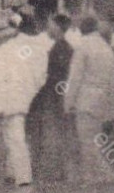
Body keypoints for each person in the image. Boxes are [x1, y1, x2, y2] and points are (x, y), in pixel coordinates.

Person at [0, 13, 48, 188]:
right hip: (18, 101)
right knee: (16, 140)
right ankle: (23, 178)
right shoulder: (19, 51)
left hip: (0, 101)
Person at [64, 16, 114, 185]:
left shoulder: (82, 47)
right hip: (103, 98)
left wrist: (68, 103)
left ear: (82, 29)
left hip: (86, 98)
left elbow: (75, 78)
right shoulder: (106, 47)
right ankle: (93, 176)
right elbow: (113, 79)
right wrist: (112, 106)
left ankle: (103, 175)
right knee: (94, 139)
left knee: (86, 140)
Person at [28, 13, 77, 183]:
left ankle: (60, 171)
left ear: (57, 27)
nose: (48, 28)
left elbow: (56, 77)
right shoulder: (64, 47)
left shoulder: (61, 49)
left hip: (56, 96)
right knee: (59, 132)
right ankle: (61, 171)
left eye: (51, 25)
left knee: (56, 132)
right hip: (58, 95)